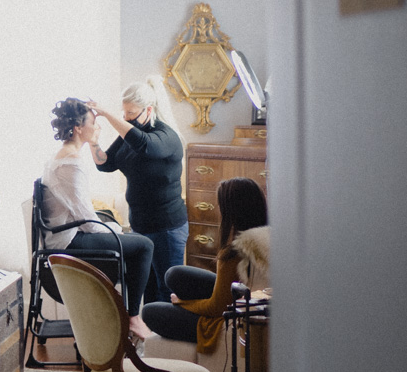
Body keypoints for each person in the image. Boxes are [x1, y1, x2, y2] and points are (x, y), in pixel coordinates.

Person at [42, 97, 156, 343]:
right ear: (78, 129)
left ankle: (124, 318)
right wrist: (116, 230)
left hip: (67, 234)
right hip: (68, 242)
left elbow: (81, 212)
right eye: (93, 123)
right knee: (145, 245)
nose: (98, 128)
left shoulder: (63, 156)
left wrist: (115, 231)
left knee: (134, 241)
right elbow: (87, 221)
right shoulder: (70, 163)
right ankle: (133, 318)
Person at [87, 77, 187, 304]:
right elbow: (105, 164)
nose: (126, 118)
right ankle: (151, 339)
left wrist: (107, 114)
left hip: (166, 229)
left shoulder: (166, 136)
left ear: (148, 110)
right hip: (140, 227)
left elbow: (145, 145)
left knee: (167, 290)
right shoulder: (129, 135)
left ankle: (166, 339)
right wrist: (94, 142)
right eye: (123, 113)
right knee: (148, 291)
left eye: (131, 113)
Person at [141, 178, 271, 351]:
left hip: (227, 316)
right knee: (174, 275)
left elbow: (217, 307)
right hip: (244, 295)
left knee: (150, 312)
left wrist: (182, 303)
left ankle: (184, 307)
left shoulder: (233, 254)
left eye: (220, 206)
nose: (218, 210)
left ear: (232, 212)